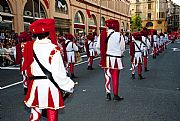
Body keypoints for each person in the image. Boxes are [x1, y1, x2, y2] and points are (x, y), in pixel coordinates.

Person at [22, 19, 74, 121]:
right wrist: (69, 86)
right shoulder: (54, 49)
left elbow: (24, 69)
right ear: (48, 33)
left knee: (35, 116)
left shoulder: (27, 47)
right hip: (50, 85)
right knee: (52, 114)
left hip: (35, 84)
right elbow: (59, 73)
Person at [96, 19, 125, 101]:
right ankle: (116, 95)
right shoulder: (119, 35)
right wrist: (119, 53)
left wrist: (100, 54)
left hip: (107, 58)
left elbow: (98, 46)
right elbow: (122, 48)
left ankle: (108, 94)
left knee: (107, 76)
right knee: (115, 77)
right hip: (116, 58)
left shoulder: (102, 34)